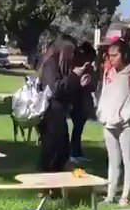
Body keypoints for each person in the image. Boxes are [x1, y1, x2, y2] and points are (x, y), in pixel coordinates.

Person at [97, 39, 130, 205]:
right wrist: (101, 113)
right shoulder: (108, 72)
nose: (111, 59)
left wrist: (125, 115)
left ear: (124, 55)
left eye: (115, 55)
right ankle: (110, 195)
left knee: (128, 160)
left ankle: (125, 196)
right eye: (109, 55)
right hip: (108, 122)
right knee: (113, 160)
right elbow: (104, 93)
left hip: (126, 124)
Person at [37, 34, 93, 172]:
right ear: (63, 49)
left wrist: (79, 83)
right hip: (50, 114)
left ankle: (53, 186)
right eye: (71, 51)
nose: (73, 55)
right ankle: (45, 187)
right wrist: (74, 75)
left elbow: (65, 89)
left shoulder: (61, 66)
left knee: (61, 153)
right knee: (51, 153)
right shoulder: (50, 64)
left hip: (59, 113)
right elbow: (55, 89)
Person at [69, 41, 96, 164]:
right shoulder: (80, 67)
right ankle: (73, 152)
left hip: (84, 100)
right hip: (78, 100)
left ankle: (77, 151)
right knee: (77, 127)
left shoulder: (86, 68)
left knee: (79, 128)